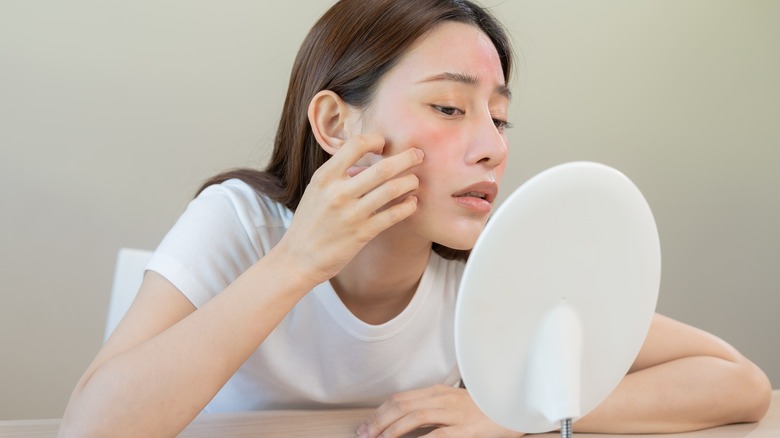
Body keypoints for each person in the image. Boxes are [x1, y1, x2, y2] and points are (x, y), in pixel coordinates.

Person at [59, 0, 771, 436]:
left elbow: (737, 382)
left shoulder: (492, 266)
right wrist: (297, 263)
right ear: (336, 123)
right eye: (450, 108)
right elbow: (90, 429)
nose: (493, 147)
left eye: (500, 117)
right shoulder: (240, 224)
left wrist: (512, 415)